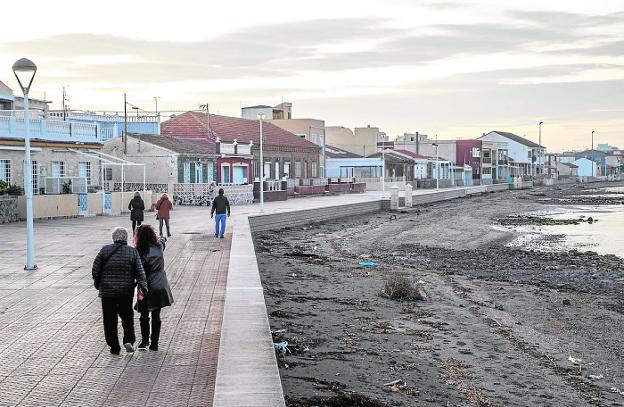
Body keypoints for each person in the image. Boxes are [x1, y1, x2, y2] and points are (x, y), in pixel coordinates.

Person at [92, 227, 147, 355]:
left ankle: (114, 346)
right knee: (127, 318)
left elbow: (95, 268)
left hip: (107, 293)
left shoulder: (105, 250)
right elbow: (140, 272)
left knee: (109, 320)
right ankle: (128, 340)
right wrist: (143, 286)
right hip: (125, 292)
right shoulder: (132, 252)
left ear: (113, 238)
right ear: (126, 238)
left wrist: (99, 283)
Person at [134, 225, 174, 351]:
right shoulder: (159, 247)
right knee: (156, 315)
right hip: (161, 285)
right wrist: (162, 237)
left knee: (144, 315)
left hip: (146, 286)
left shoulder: (139, 251)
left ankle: (145, 341)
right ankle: (154, 343)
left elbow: (138, 271)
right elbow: (163, 239)